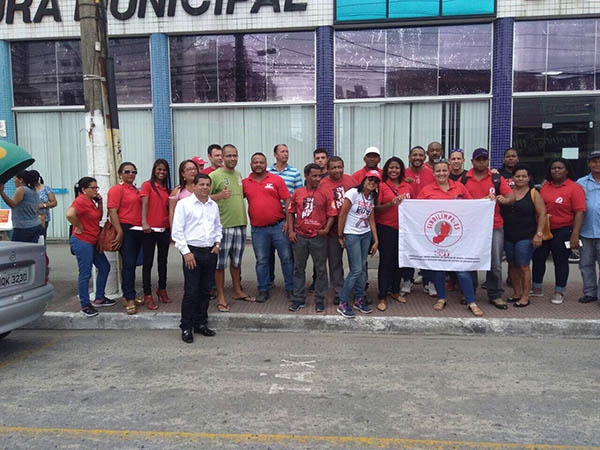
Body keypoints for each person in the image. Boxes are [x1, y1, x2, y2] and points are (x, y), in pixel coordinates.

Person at [417, 159, 483, 317]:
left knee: (462, 270)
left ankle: (471, 301)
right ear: (433, 173)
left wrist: (486, 201)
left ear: (449, 171)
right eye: (438, 171)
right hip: (436, 237)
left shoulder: (459, 187)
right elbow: (416, 209)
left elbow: (471, 206)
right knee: (439, 269)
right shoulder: (426, 190)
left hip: (458, 237)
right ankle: (441, 298)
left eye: (444, 171)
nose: (441, 174)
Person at [460, 147, 515, 310]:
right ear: (472, 161)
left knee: (495, 263)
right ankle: (469, 292)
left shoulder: (497, 178)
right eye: (478, 159)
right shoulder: (464, 179)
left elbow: (511, 196)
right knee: (471, 261)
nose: (481, 162)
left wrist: (504, 200)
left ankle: (495, 294)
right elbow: (457, 199)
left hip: (494, 225)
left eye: (484, 159)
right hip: (471, 228)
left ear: (488, 161)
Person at [172, 173, 221, 343]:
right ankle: (186, 326)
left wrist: (217, 244)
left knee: (206, 291)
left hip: (210, 252)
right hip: (192, 252)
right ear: (194, 186)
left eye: (208, 184)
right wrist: (186, 253)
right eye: (202, 184)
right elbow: (177, 231)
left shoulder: (213, 205)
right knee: (191, 291)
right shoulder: (184, 205)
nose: (205, 187)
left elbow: (217, 226)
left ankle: (200, 323)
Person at [531, 158, 586, 304]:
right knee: (538, 257)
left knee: (560, 260)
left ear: (566, 170)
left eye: (560, 168)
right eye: (553, 168)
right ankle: (536, 287)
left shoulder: (574, 188)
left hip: (564, 229)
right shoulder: (545, 187)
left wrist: (575, 234)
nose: (556, 170)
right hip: (544, 229)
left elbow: (579, 212)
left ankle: (559, 290)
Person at [243, 152, 293, 302]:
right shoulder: (245, 183)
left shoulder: (276, 180)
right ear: (251, 164)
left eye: (261, 162)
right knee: (262, 260)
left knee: (286, 259)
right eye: (255, 162)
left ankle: (291, 288)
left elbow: (288, 201)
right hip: (258, 230)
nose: (258, 165)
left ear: (266, 164)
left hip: (279, 227)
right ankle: (263, 289)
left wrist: (289, 223)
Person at [210, 144, 254, 311]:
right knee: (220, 264)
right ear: (222, 157)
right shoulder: (214, 175)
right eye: (228, 156)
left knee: (236, 262)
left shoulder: (238, 175)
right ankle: (221, 296)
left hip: (240, 224)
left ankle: (237, 290)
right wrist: (219, 196)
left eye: (235, 155)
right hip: (223, 226)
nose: (232, 159)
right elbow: (204, 198)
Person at [286, 163, 335, 313]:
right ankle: (298, 299)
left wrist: (326, 229)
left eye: (319, 175)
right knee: (298, 269)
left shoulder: (326, 192)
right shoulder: (298, 193)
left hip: (318, 238)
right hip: (300, 237)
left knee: (321, 270)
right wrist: (291, 231)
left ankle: (319, 299)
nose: (317, 179)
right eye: (313, 176)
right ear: (306, 176)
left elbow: (332, 213)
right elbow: (290, 212)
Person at [66, 177, 115, 317]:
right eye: (93, 188)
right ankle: (85, 304)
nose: (96, 190)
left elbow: (98, 218)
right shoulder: (80, 201)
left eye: (96, 188)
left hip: (93, 241)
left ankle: (99, 297)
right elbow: (69, 214)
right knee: (85, 273)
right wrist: (79, 226)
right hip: (82, 241)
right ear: (83, 190)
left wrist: (99, 203)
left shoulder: (90, 202)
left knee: (104, 266)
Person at [500, 165, 546, 307]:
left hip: (526, 236)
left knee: (523, 265)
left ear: (528, 178)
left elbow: (542, 214)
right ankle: (516, 293)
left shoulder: (534, 193)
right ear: (513, 178)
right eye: (517, 176)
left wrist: (539, 234)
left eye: (523, 176)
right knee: (512, 265)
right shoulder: (508, 192)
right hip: (508, 235)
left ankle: (525, 296)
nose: (520, 179)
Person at [337, 170, 380, 318]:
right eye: (370, 179)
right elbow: (342, 214)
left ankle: (359, 299)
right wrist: (340, 235)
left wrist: (376, 239)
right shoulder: (353, 193)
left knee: (362, 268)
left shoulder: (372, 197)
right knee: (356, 269)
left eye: (375, 180)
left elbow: (371, 218)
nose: (372, 182)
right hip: (352, 234)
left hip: (365, 234)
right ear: (364, 179)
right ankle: (343, 302)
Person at [374, 157, 414, 311]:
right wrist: (391, 204)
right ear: (386, 169)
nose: (394, 170)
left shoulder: (407, 187)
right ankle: (382, 295)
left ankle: (395, 291)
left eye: (397, 168)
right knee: (386, 262)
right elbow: (376, 209)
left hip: (404, 230)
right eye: (391, 168)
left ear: (401, 170)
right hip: (386, 228)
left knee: (400, 261)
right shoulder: (382, 186)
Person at [317, 156, 355, 304]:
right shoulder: (322, 184)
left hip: (352, 229)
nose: (337, 170)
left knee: (356, 263)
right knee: (335, 263)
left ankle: (357, 290)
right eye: (333, 167)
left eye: (339, 167)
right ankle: (338, 291)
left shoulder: (351, 181)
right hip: (332, 231)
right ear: (328, 169)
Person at [107, 162, 143, 315]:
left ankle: (131, 294)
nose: (131, 174)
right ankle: (129, 298)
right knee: (128, 264)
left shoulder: (135, 190)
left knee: (133, 263)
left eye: (133, 172)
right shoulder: (117, 189)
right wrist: (119, 232)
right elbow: (112, 212)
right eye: (127, 171)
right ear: (120, 173)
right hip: (125, 229)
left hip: (138, 229)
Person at [140, 159, 172, 310]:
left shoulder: (167, 189)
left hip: (164, 229)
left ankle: (162, 289)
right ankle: (147, 294)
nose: (161, 172)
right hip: (149, 230)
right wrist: (144, 222)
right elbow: (144, 205)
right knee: (147, 263)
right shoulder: (147, 185)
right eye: (159, 169)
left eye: (164, 170)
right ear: (154, 170)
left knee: (163, 261)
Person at [404, 146, 436, 295]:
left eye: (420, 155)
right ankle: (407, 280)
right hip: (408, 219)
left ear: (425, 157)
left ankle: (428, 281)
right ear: (409, 157)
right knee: (408, 249)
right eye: (414, 155)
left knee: (427, 250)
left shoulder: (431, 173)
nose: (417, 158)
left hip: (427, 218)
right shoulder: (402, 173)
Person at [577, 150, 600, 304]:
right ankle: (590, 292)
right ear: (589, 164)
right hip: (585, 231)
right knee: (586, 264)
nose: (597, 164)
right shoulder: (581, 183)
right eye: (594, 161)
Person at [0, 170, 42, 243]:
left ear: (21, 180)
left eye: (15, 179)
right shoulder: (33, 190)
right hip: (35, 225)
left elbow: (13, 204)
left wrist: (1, 192)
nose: (14, 181)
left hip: (23, 227)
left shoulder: (21, 189)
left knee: (16, 250)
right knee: (30, 250)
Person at [169, 159, 199, 227]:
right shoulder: (178, 190)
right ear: (183, 173)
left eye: (195, 169)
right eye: (189, 169)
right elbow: (172, 212)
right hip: (183, 227)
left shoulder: (202, 188)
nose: (193, 171)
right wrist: (173, 231)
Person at [30, 170, 57, 246]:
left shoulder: (46, 188)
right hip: (31, 217)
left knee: (41, 239)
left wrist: (43, 205)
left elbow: (54, 202)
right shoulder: (28, 189)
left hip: (43, 218)